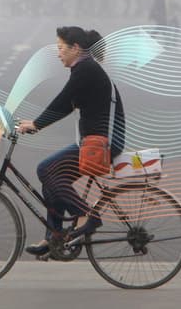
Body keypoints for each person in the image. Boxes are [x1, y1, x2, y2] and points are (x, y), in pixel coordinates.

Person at [17, 26, 126, 257]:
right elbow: (67, 105)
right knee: (52, 176)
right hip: (93, 141)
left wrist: (36, 124)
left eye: (60, 48)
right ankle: (55, 237)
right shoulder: (85, 69)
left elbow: (63, 100)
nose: (58, 54)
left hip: (102, 144)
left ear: (75, 48)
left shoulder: (85, 69)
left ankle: (87, 215)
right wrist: (36, 123)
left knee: (45, 169)